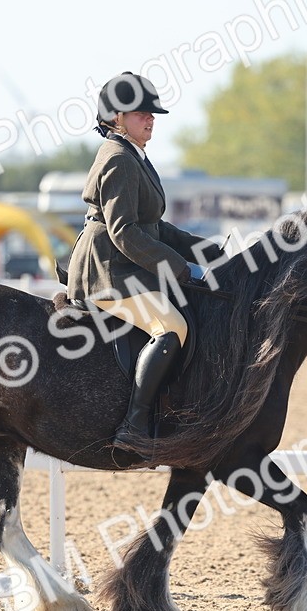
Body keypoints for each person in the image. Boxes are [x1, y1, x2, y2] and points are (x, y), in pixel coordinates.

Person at [66, 72, 224, 448]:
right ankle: (134, 426)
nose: (151, 120)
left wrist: (205, 250)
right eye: (141, 114)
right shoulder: (119, 158)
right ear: (117, 117)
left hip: (123, 266)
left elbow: (154, 225)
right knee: (172, 328)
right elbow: (125, 232)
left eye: (152, 114)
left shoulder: (134, 155)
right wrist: (180, 269)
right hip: (106, 272)